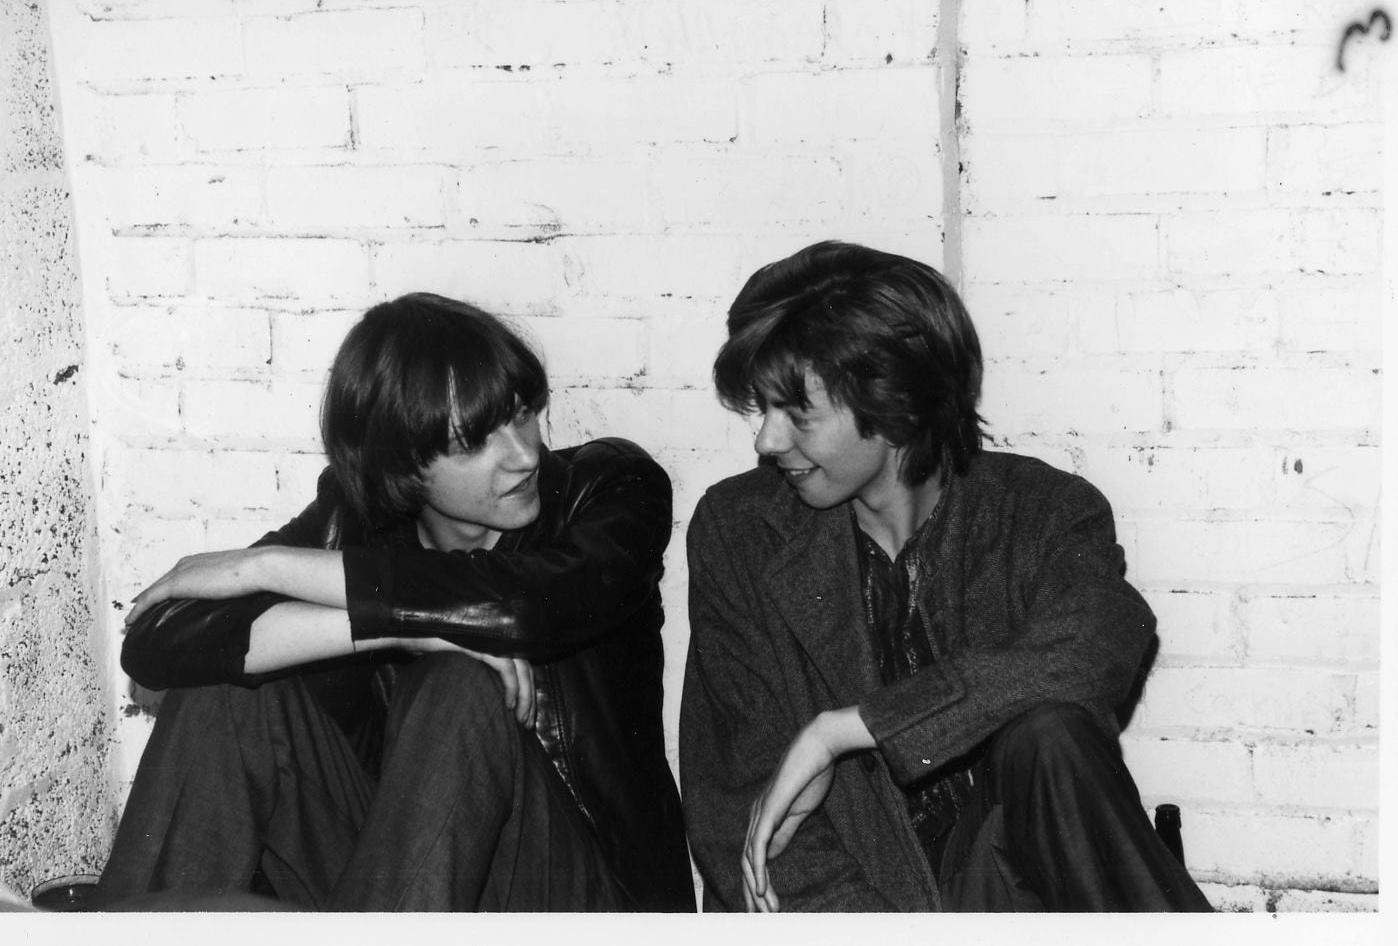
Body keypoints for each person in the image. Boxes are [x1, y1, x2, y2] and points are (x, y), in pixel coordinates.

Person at [94, 292, 695, 912]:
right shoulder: (351, 528)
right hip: (414, 879)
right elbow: (157, 645)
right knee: (224, 681)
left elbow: (526, 608)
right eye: (473, 443)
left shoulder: (608, 489)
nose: (523, 453)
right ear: (403, 467)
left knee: (463, 681)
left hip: (581, 894)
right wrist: (390, 631)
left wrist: (261, 567)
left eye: (521, 415)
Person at [678, 241, 1211, 913]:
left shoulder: (1041, 511)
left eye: (798, 414)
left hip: (1014, 890)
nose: (767, 441)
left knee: (1052, 736)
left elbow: (1101, 640)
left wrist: (850, 728)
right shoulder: (740, 530)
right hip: (848, 908)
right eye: (762, 408)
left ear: (893, 402)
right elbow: (743, 799)